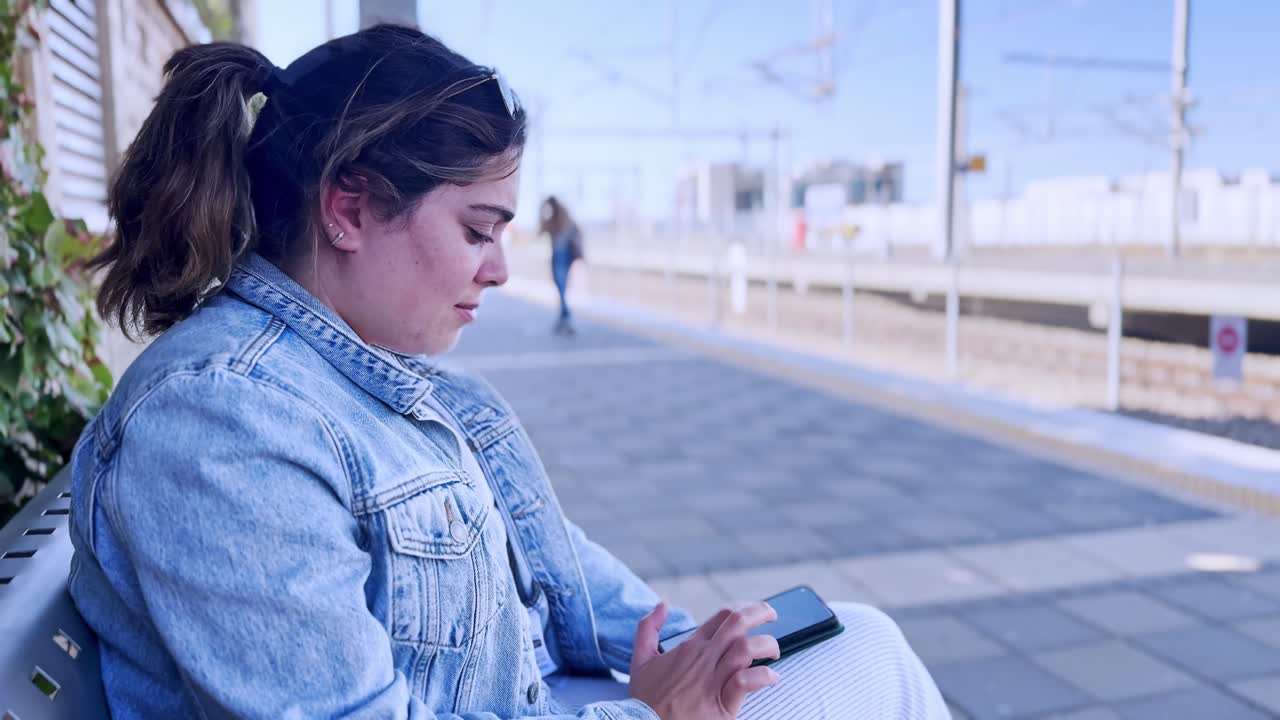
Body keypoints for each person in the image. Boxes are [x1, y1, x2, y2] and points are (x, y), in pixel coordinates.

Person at [66, 25, 948, 720]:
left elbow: (562, 570)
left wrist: (696, 653)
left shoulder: (399, 379)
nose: (500, 270)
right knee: (873, 660)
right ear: (349, 208)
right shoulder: (220, 421)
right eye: (478, 230)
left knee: (853, 642)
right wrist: (650, 712)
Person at [539, 196, 582, 335]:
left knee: (561, 288)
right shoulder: (563, 217)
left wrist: (541, 212)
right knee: (561, 288)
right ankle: (562, 319)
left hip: (560, 255)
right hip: (565, 255)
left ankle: (567, 318)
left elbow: (540, 231)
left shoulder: (556, 219)